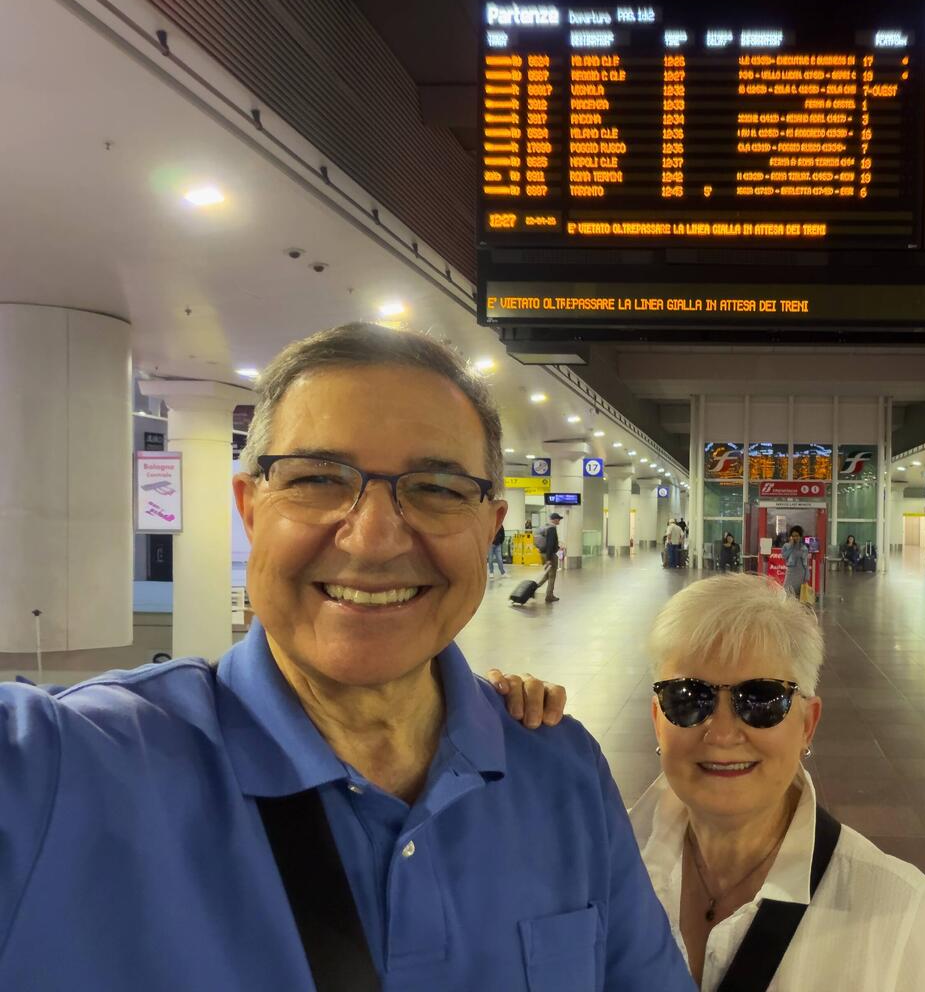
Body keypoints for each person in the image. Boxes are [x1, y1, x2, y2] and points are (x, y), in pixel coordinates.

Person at [0, 322, 692, 990]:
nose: (373, 539)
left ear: (490, 527)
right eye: (316, 479)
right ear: (250, 507)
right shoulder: (65, 767)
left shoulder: (560, 772)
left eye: (437, 488)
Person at [631, 574, 925, 990]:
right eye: (687, 698)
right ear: (657, 720)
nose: (721, 733)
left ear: (807, 725)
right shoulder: (602, 862)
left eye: (760, 699)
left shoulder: (895, 911)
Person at [535, 511, 563, 603]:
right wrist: (549, 559)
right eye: (558, 519)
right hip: (550, 555)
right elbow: (550, 544)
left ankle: (533, 588)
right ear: (555, 520)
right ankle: (549, 596)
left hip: (543, 553)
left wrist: (558, 547)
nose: (559, 521)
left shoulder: (546, 527)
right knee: (552, 576)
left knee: (547, 575)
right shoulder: (552, 529)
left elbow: (549, 543)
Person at [781, 524, 810, 598]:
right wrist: (791, 547)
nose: (795, 538)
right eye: (793, 536)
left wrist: (807, 575)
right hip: (790, 573)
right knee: (786, 591)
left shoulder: (804, 548)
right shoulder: (786, 546)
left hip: (800, 573)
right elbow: (784, 556)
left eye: (797, 536)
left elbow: (805, 563)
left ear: (800, 536)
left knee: (798, 595)